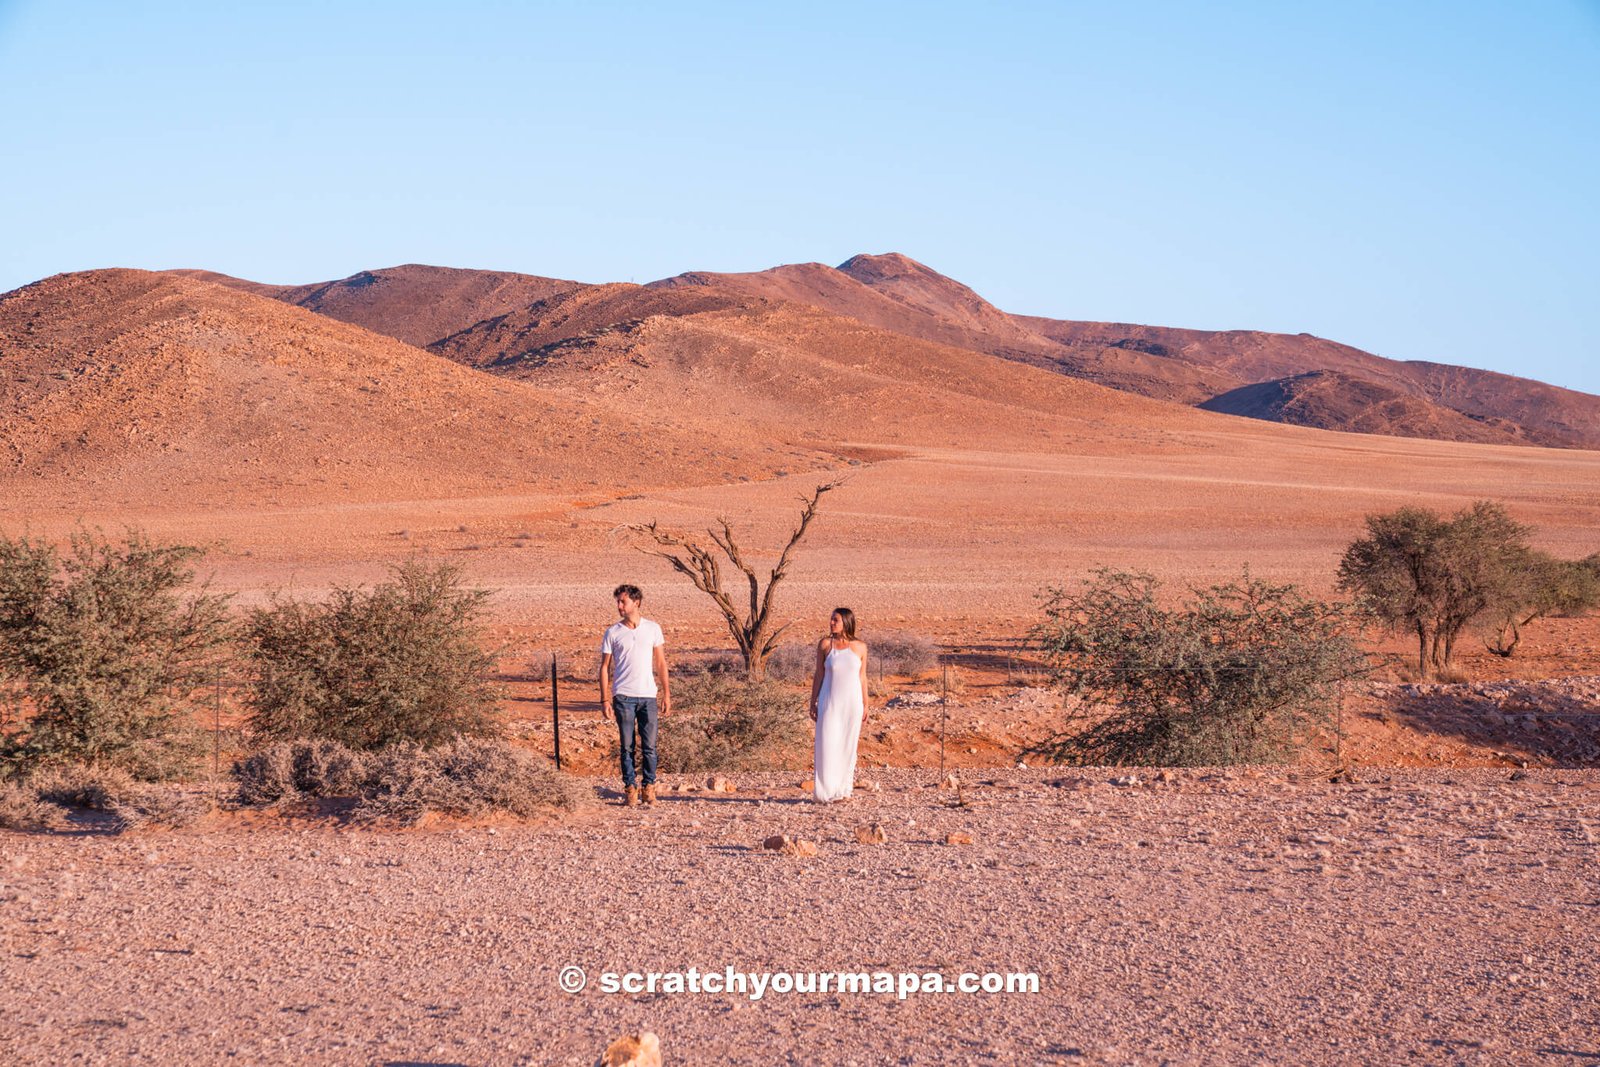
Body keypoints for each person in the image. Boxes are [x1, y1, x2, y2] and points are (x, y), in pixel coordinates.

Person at [599, 583, 670, 807]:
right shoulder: (612, 632)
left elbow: (660, 662)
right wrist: (605, 699)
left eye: (623, 602)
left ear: (636, 602)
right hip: (623, 697)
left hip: (648, 696)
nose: (620, 606)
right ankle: (630, 788)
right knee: (627, 745)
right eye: (618, 602)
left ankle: (649, 787)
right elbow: (604, 667)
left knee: (650, 746)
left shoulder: (653, 628)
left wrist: (666, 693)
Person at [809, 607, 868, 803]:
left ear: (846, 622)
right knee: (827, 744)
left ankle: (843, 790)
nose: (831, 623)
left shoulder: (860, 647)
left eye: (835, 620)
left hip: (853, 703)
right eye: (831, 619)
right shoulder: (826, 645)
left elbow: (862, 677)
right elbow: (819, 674)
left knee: (847, 746)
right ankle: (824, 793)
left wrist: (866, 705)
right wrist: (813, 701)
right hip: (829, 702)